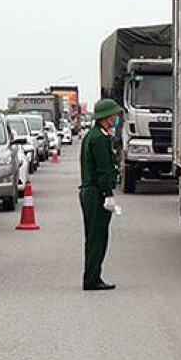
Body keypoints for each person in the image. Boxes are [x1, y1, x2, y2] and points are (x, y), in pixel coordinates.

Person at [79, 98, 122, 291]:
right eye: (113, 115)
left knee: (94, 236)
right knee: (97, 237)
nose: (116, 118)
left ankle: (93, 275)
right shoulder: (99, 139)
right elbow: (103, 169)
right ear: (106, 117)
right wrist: (108, 194)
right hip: (96, 193)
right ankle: (92, 278)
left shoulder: (94, 135)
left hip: (91, 192)